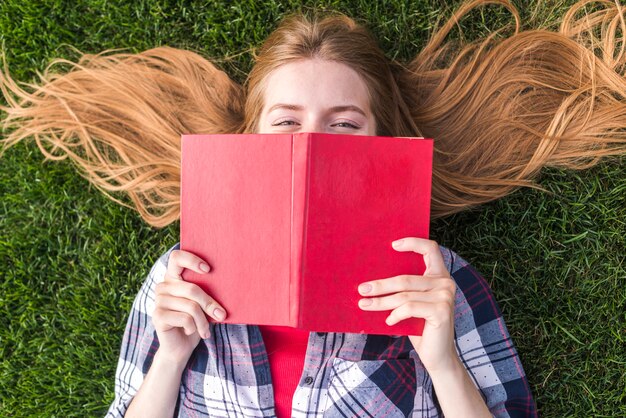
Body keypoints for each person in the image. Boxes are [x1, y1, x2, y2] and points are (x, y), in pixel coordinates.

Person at [1, 0, 624, 416]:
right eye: (288, 122)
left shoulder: (436, 278)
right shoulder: (184, 272)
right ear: (252, 139)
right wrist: (169, 357)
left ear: (382, 140)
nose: (314, 143)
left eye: (345, 124)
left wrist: (441, 357)